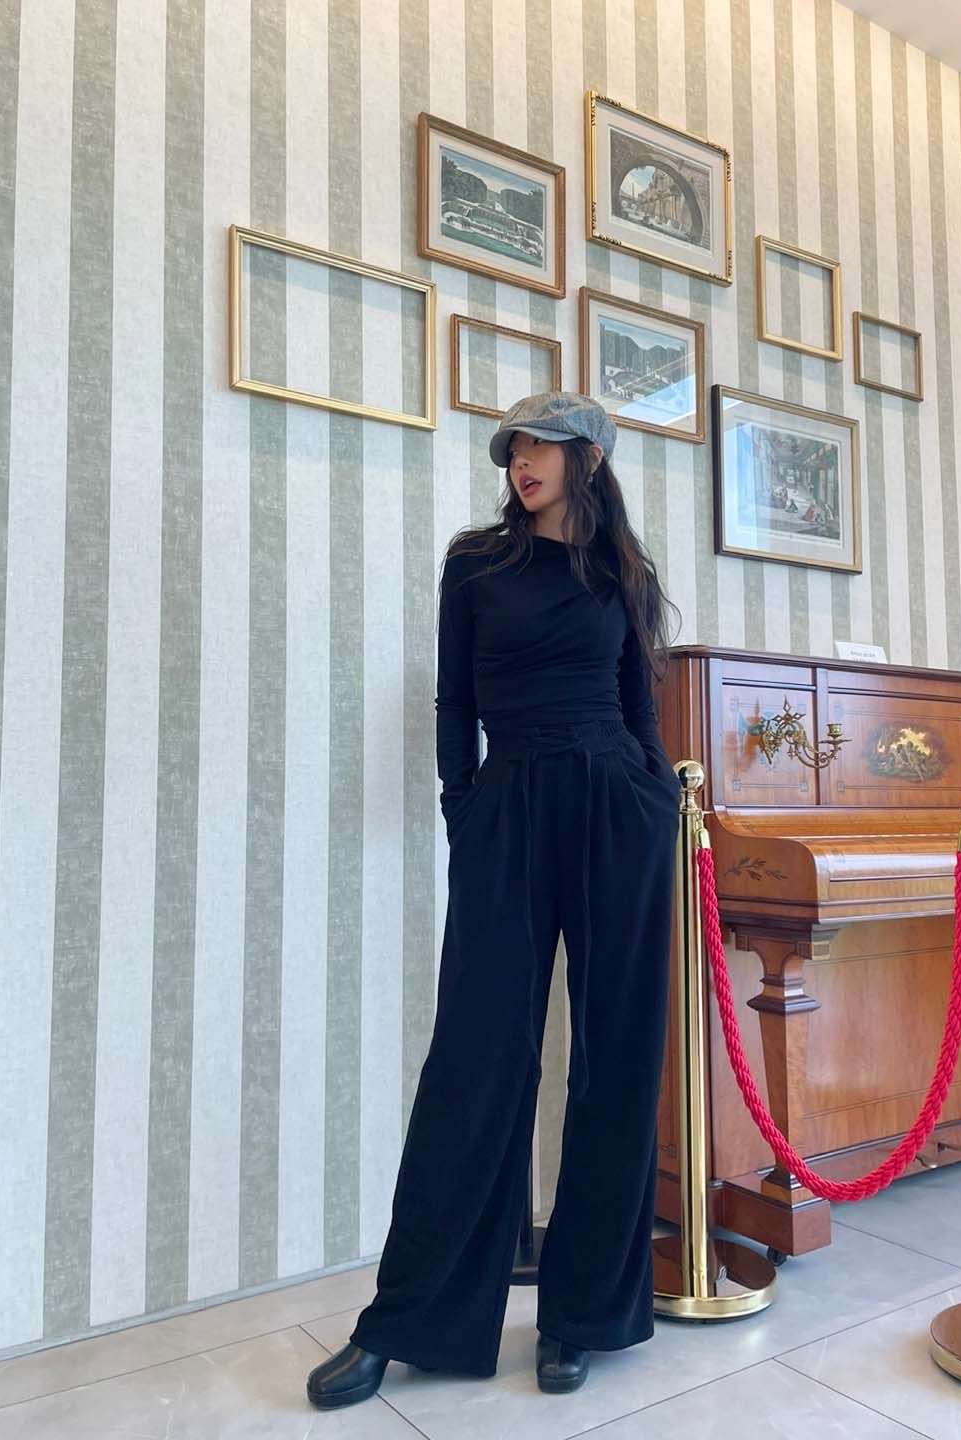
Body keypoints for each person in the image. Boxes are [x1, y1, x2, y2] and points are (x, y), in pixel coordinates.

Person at [306, 391, 682, 1409]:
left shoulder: (621, 571)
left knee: (613, 1059)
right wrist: (460, 806)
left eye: (544, 444)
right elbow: (455, 700)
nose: (523, 459)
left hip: (616, 808)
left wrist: (657, 801)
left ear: (586, 460)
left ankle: (582, 1316)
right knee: (475, 1059)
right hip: (507, 806)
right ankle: (408, 1319)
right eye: (515, 445)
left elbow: (638, 703)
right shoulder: (475, 562)